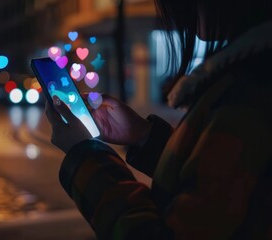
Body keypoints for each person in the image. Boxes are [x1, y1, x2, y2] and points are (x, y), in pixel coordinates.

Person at [45, 0, 272, 239]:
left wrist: (84, 154)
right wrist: (144, 135)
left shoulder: (248, 95)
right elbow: (216, 179)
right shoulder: (249, 79)